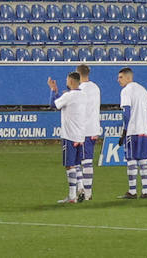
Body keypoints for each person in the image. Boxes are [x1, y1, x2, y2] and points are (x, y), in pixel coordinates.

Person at [48, 72, 90, 204]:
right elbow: (67, 100)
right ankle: (81, 187)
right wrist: (60, 93)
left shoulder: (68, 95)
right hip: (80, 135)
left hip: (69, 135)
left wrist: (53, 90)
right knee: (77, 164)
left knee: (69, 165)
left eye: (67, 79)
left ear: (71, 81)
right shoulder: (83, 95)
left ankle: (72, 196)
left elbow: (53, 105)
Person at [118, 67, 147, 199]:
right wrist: (146, 125)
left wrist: (125, 130)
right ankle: (145, 191)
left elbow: (126, 112)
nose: (118, 80)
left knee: (131, 161)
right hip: (143, 131)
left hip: (132, 131)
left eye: (121, 77)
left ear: (129, 77)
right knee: (144, 161)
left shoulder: (126, 91)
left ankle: (132, 191)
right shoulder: (142, 89)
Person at [76, 64, 102, 201]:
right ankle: (85, 191)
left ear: (78, 74)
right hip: (94, 128)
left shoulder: (80, 89)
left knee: (82, 161)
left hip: (83, 129)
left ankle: (87, 193)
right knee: (86, 160)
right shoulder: (95, 87)